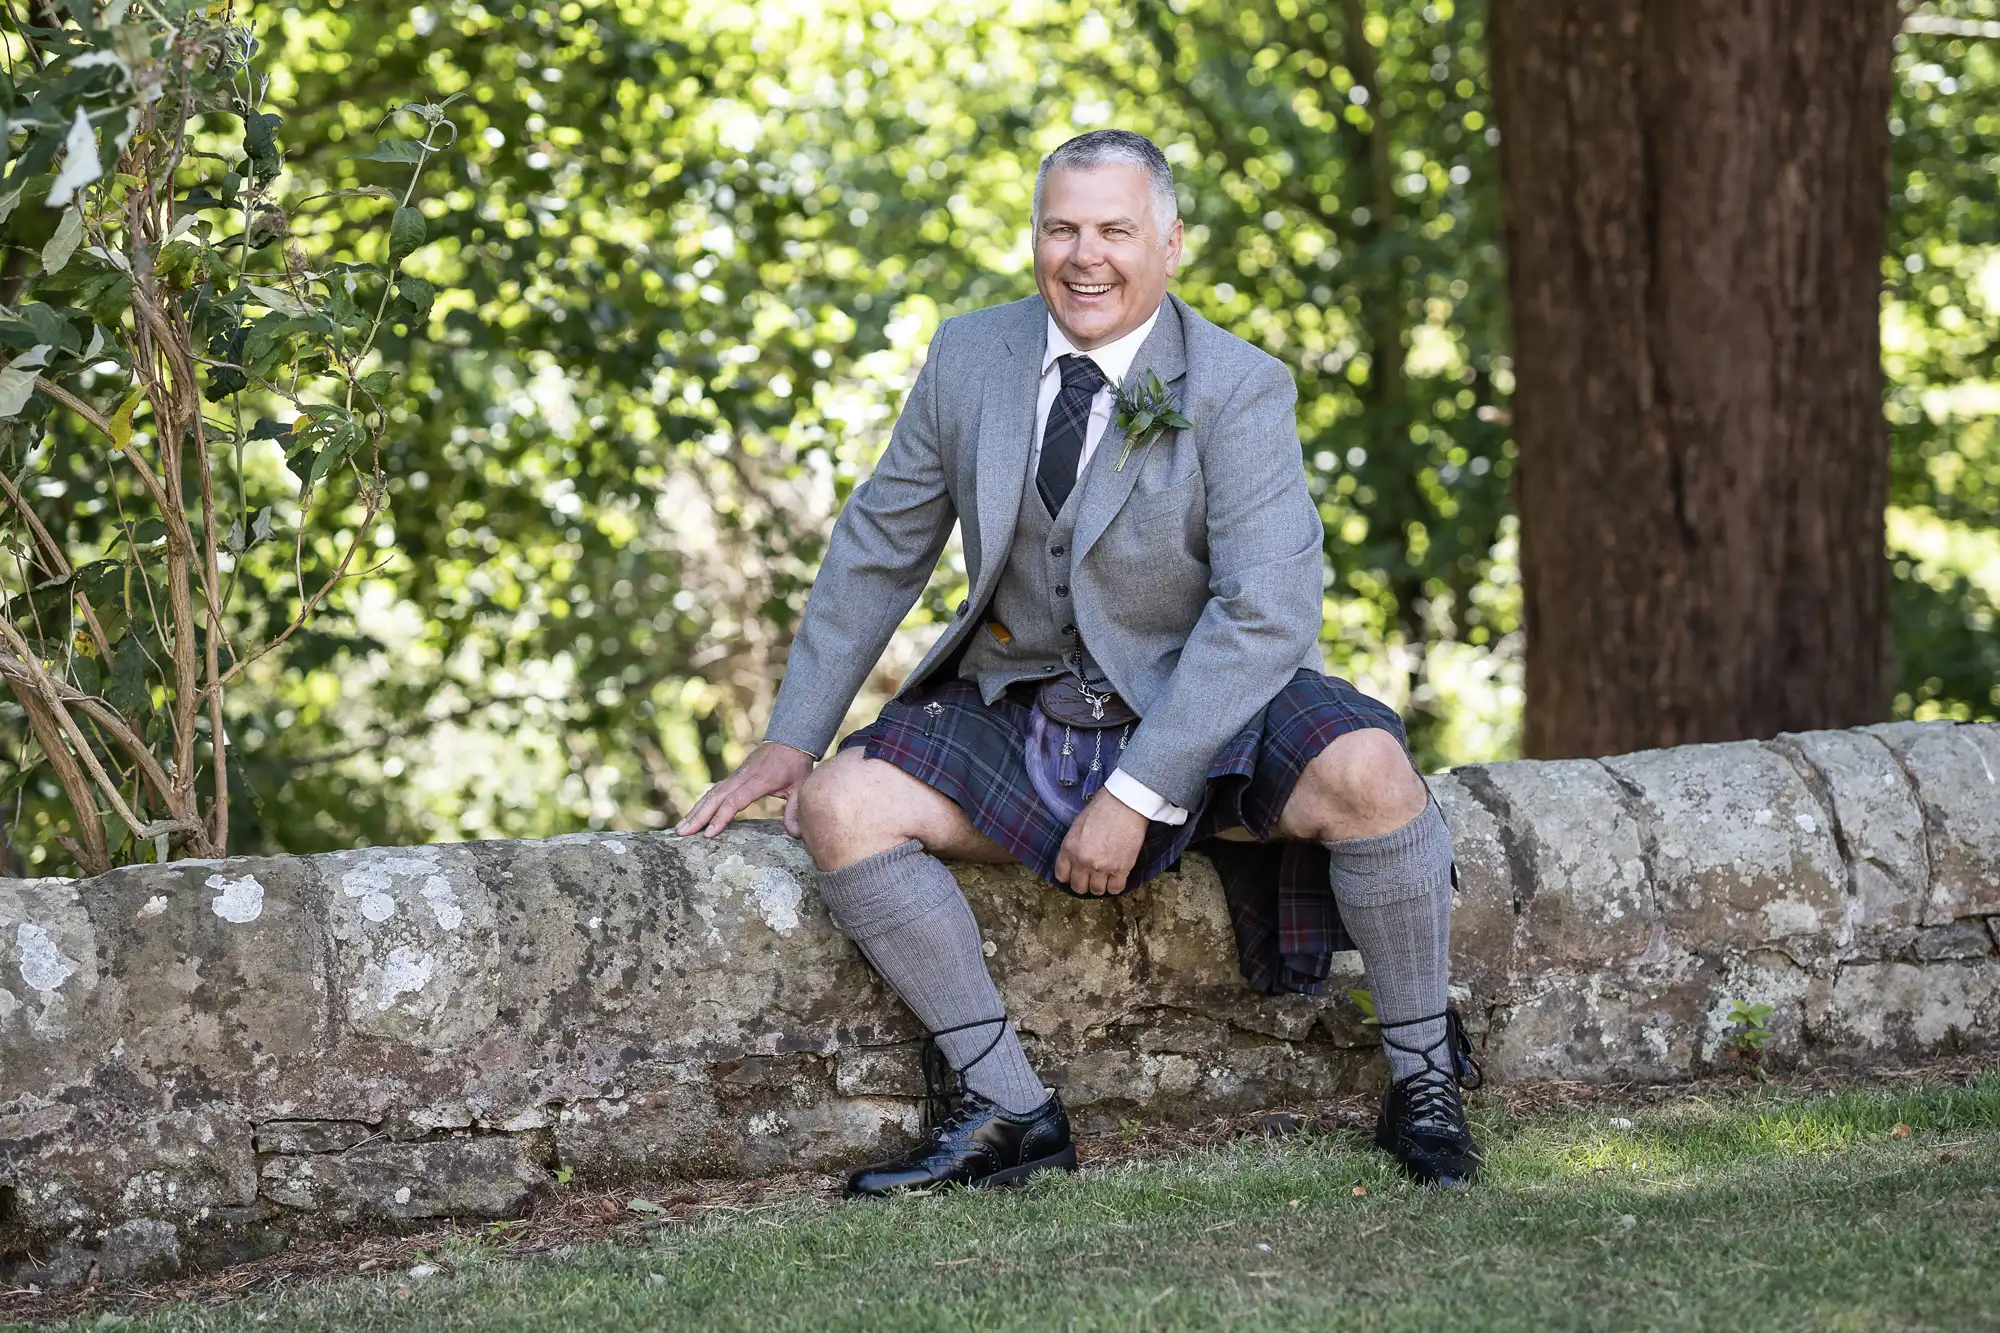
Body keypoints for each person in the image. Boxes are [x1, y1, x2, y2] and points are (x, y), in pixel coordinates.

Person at [677, 129, 1479, 1195]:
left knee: (1374, 770)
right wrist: (790, 738)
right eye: (1061, 228)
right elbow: (879, 548)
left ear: (1169, 242)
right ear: (1035, 237)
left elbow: (1266, 611)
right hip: (1021, 699)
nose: (1084, 255)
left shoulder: (1238, 386)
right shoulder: (970, 357)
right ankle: (1009, 1105)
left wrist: (1143, 790)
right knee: (836, 807)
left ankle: (1422, 1080)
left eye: (1113, 229)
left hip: (1200, 699)